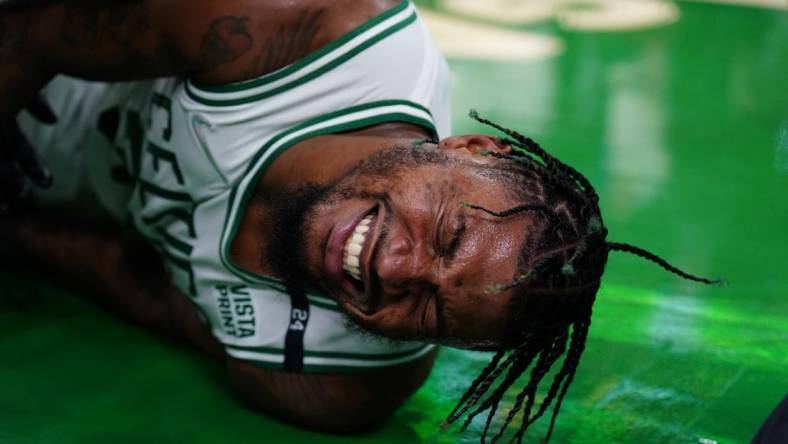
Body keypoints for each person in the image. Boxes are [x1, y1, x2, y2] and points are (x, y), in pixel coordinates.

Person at [0, 0, 718, 442]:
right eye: (448, 233)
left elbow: (157, 295)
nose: (397, 269)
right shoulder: (303, 27)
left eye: (434, 310)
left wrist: (15, 231)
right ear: (469, 148)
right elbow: (26, 36)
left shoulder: (333, 384)